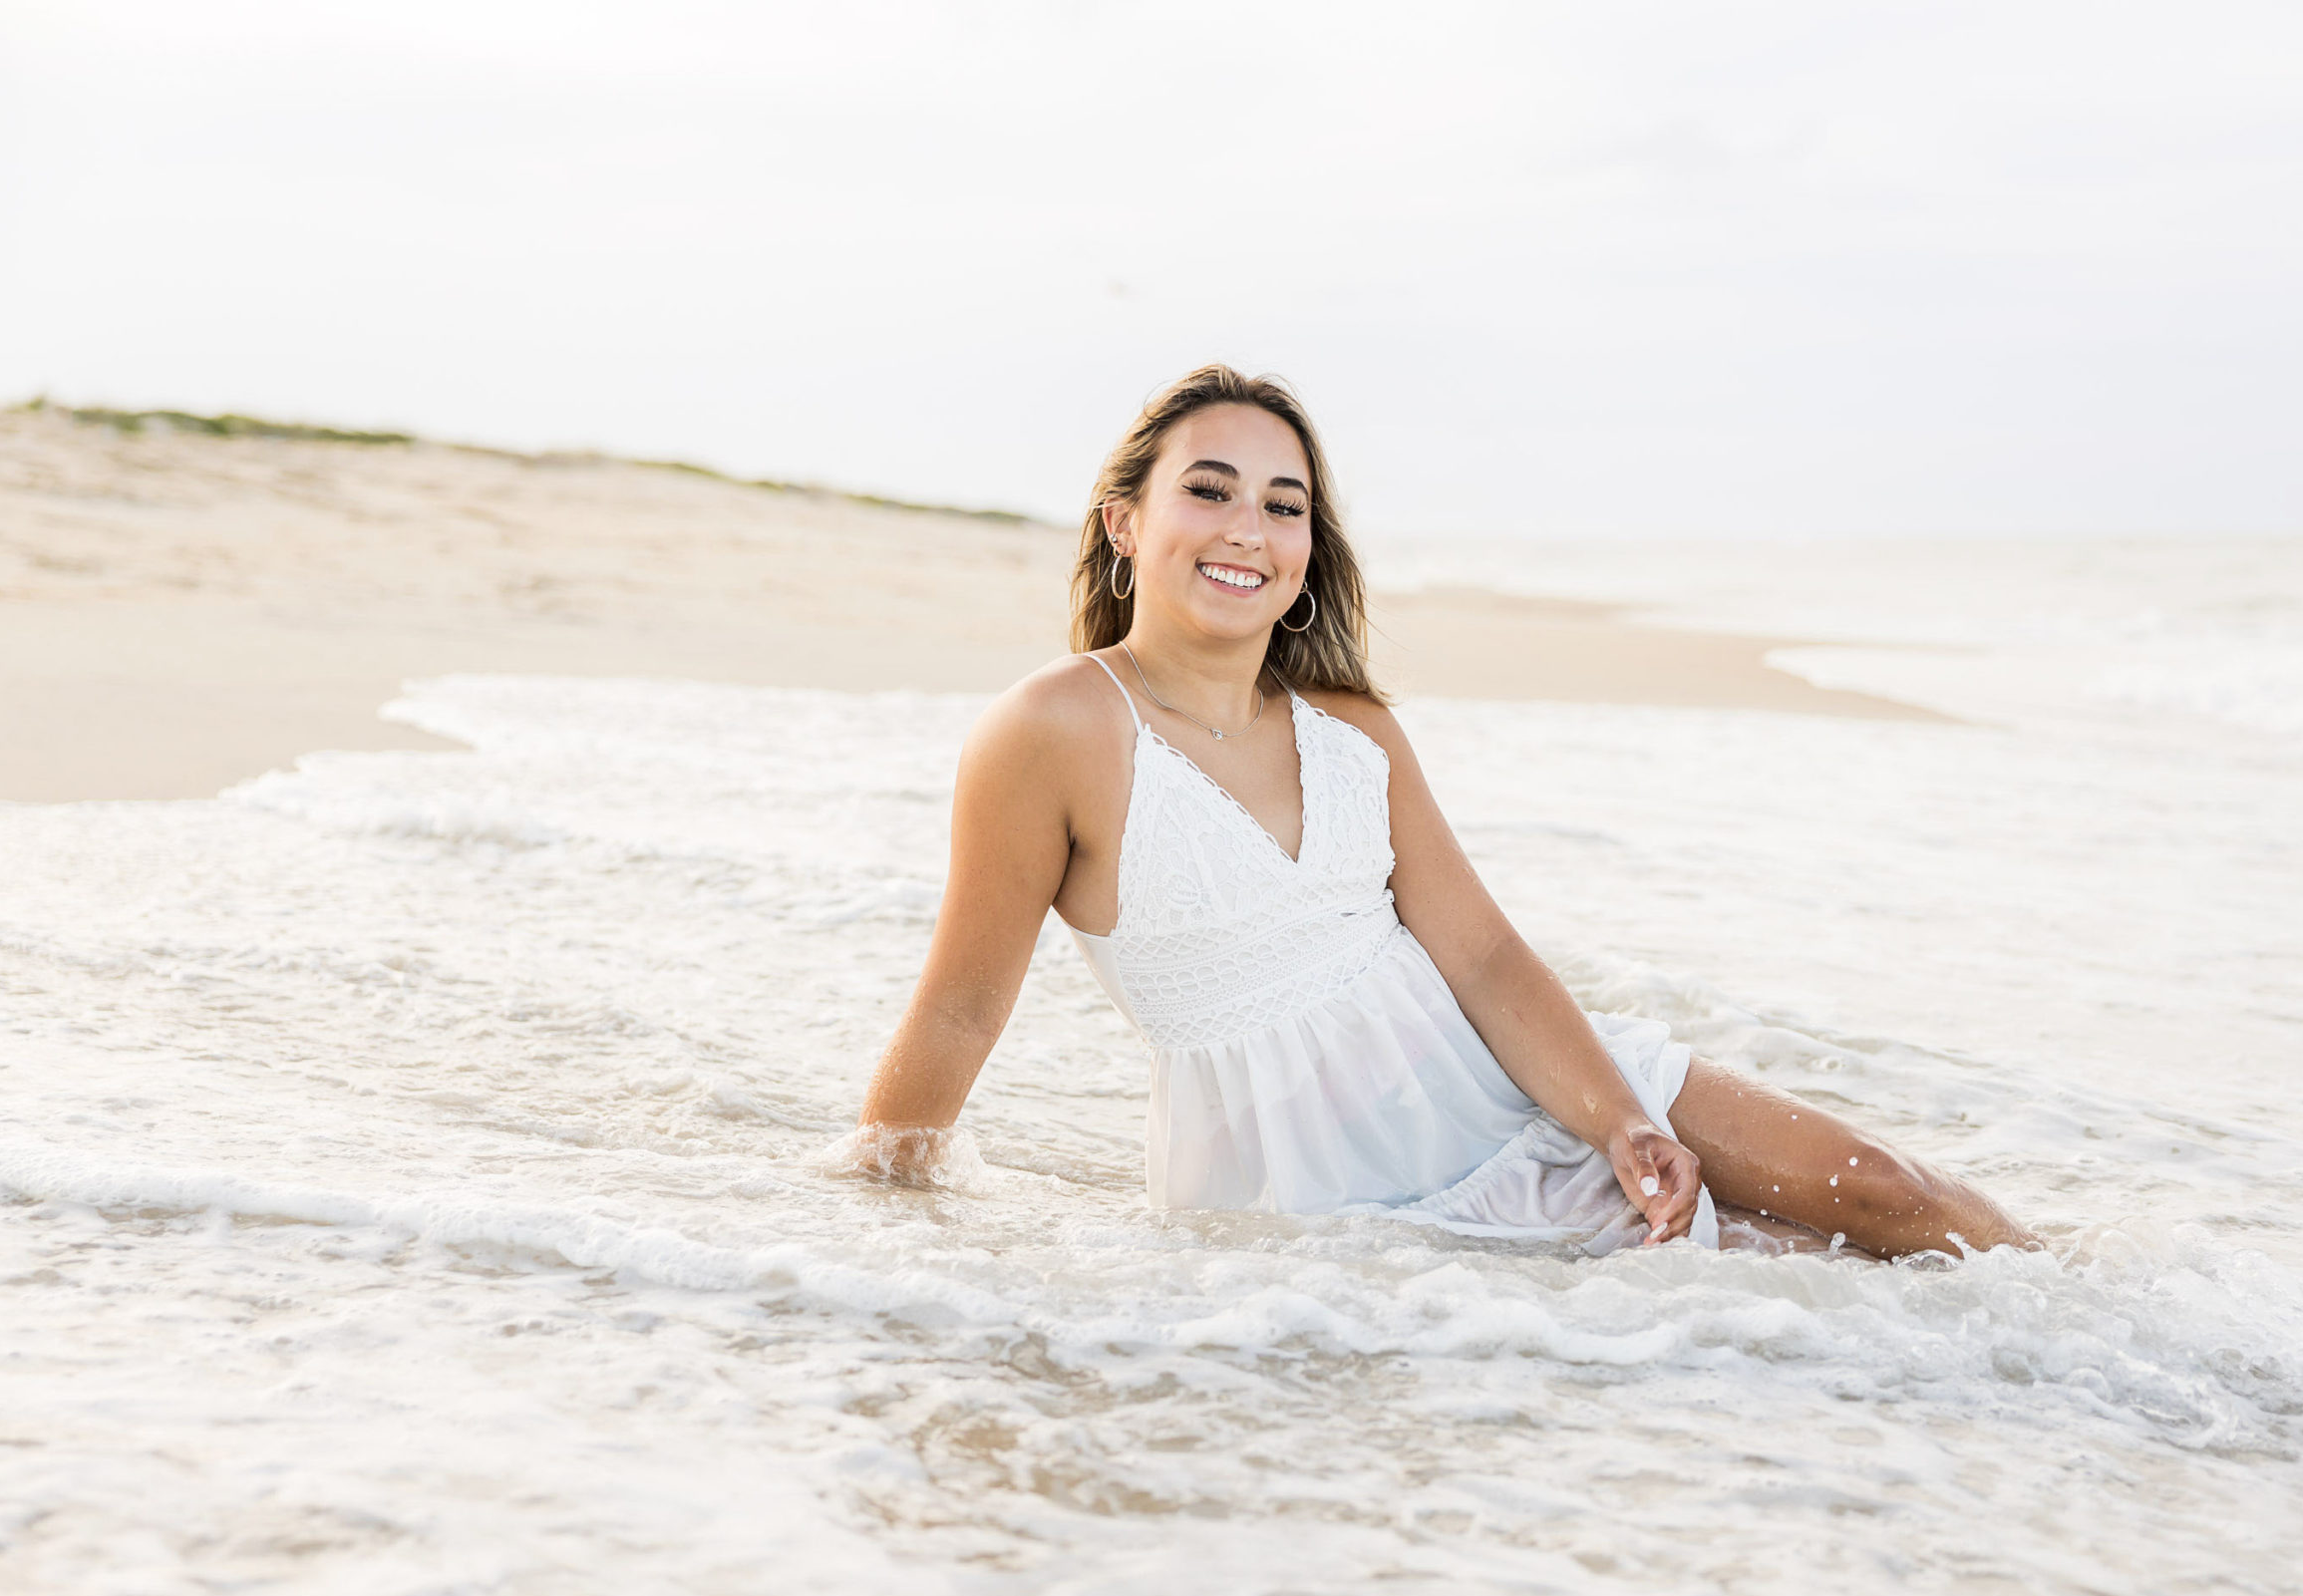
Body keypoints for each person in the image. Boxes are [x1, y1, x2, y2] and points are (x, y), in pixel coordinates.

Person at [833, 365, 2034, 1258]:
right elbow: (960, 1008)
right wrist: (860, 1236)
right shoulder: (1052, 730)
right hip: (1321, 1206)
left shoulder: (1352, 729)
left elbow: (1483, 955)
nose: (1249, 527)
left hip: (1513, 1091)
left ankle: (2131, 1321)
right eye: (1210, 490)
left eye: (1284, 503)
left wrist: (1618, 1119)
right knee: (1785, 1297)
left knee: (1883, 1196)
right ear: (1124, 523)